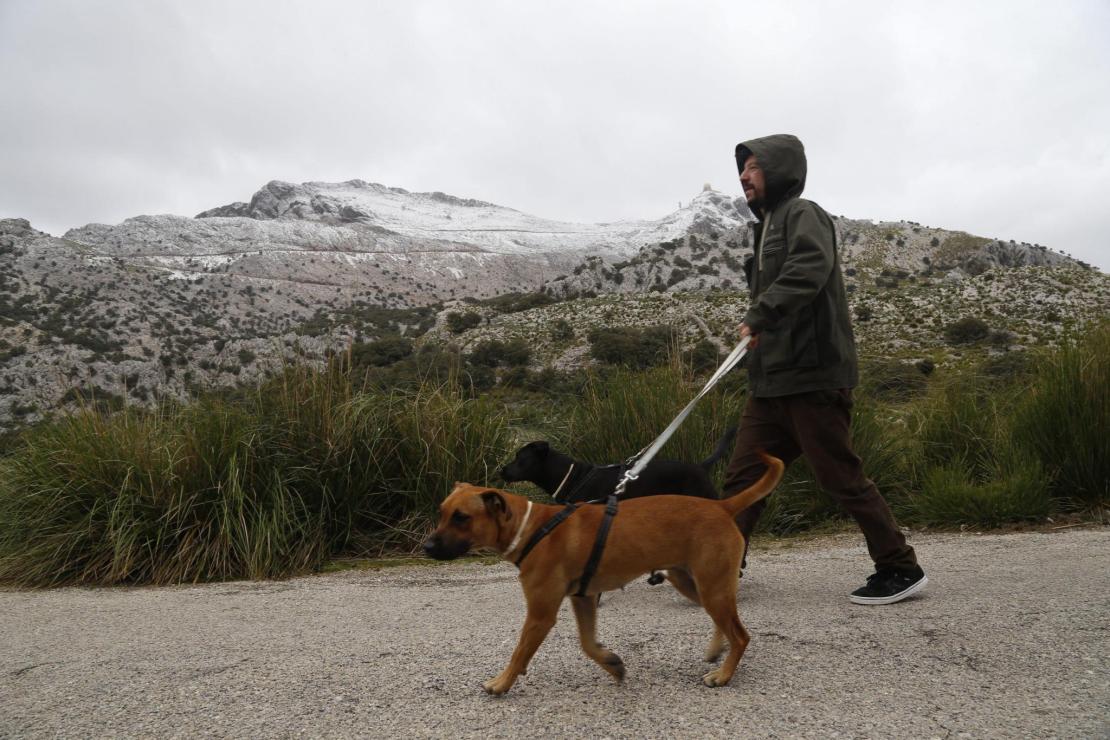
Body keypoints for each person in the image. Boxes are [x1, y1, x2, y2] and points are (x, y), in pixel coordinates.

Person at [724, 134, 927, 605]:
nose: (743, 176)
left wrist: (760, 314)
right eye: (742, 168)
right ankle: (721, 563)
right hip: (771, 383)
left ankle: (900, 568)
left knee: (840, 477)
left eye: (753, 167)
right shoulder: (766, 226)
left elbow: (811, 267)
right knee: (742, 480)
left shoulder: (802, 214)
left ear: (777, 170)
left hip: (813, 378)